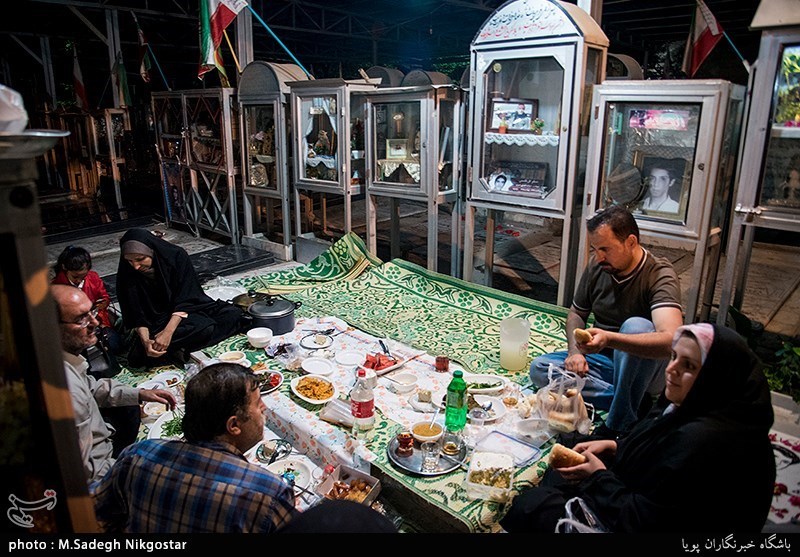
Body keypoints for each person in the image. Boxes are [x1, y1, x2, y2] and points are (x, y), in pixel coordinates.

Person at [503, 323, 776, 533]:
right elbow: (655, 447)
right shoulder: (689, 404)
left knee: (530, 508)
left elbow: (644, 522)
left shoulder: (704, 441)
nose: (671, 370)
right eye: (673, 357)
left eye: (689, 366)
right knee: (557, 476)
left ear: (716, 378)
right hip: (639, 500)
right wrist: (615, 446)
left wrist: (597, 476)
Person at [529, 205, 683, 436]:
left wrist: (610, 339)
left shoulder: (660, 274)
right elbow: (576, 313)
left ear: (631, 242)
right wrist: (575, 353)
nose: (599, 256)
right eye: (595, 249)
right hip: (605, 361)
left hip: (646, 368)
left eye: (605, 249)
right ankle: (632, 400)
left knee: (636, 326)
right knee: (540, 369)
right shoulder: (598, 265)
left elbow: (671, 341)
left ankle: (617, 424)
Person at [91, 363, 297, 533]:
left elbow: (94, 512)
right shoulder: (267, 493)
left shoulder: (137, 453)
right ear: (234, 425)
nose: (264, 408)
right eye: (258, 403)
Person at [53, 284, 176, 484]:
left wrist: (140, 393)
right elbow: (88, 473)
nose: (95, 322)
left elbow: (92, 388)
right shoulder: (66, 390)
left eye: (92, 312)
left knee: (129, 404)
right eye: (81, 319)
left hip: (104, 441)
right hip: (102, 472)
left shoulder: (63, 358)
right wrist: (135, 471)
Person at [116, 228, 245, 368]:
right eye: (130, 261)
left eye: (140, 259)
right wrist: (145, 341)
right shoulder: (127, 272)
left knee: (233, 314)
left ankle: (170, 347)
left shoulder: (176, 256)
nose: (135, 266)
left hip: (184, 310)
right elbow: (135, 313)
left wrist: (168, 333)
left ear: (152, 251)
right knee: (204, 328)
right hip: (155, 321)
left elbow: (187, 297)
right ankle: (157, 347)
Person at [51, 245, 121, 355]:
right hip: (75, 330)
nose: (79, 281)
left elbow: (104, 298)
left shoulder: (93, 278)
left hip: (97, 320)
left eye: (83, 277)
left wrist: (100, 306)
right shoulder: (57, 288)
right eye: (75, 277)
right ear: (64, 268)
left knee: (113, 344)